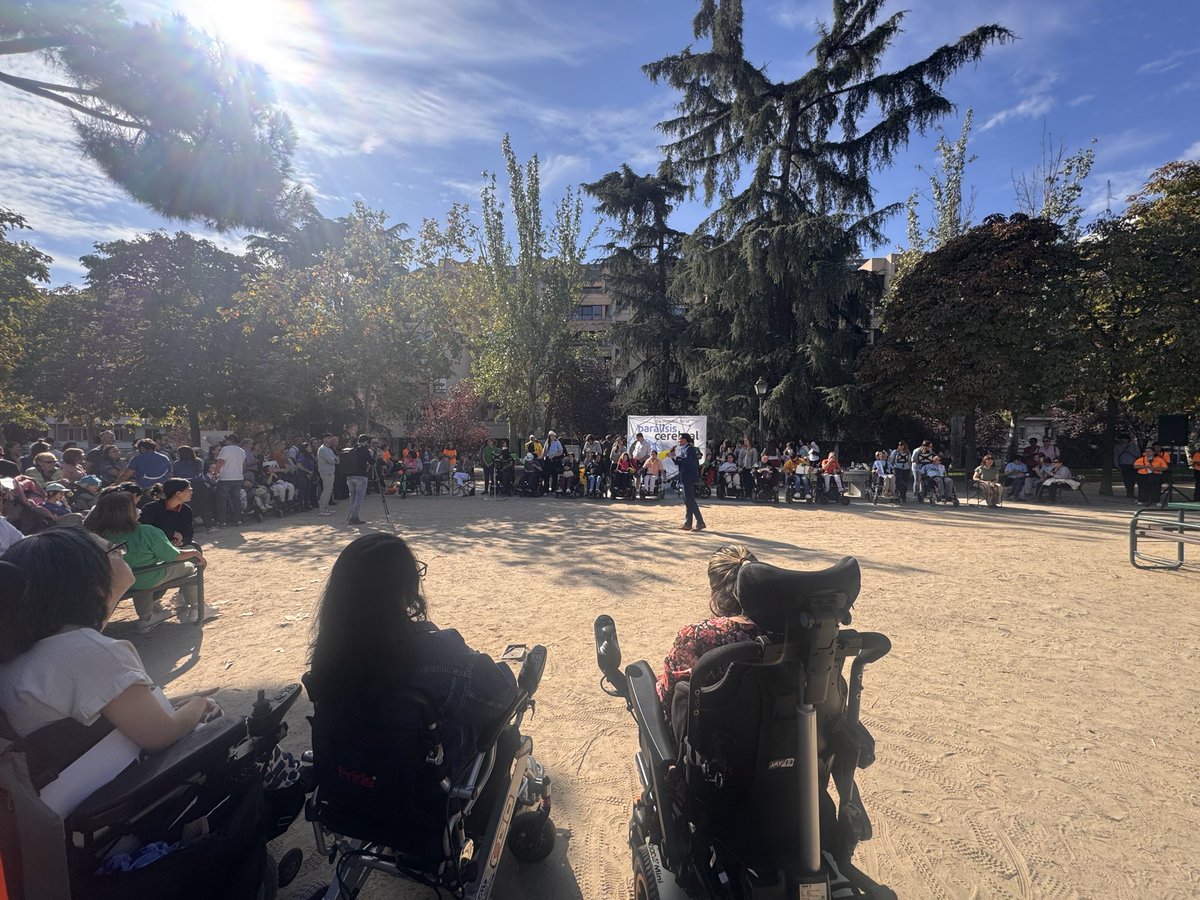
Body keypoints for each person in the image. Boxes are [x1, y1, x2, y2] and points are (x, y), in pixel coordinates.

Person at [0, 528, 219, 817]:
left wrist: (176, 703)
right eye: (114, 550)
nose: (121, 554)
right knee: (219, 722)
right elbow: (160, 735)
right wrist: (199, 705)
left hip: (58, 805)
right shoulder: (86, 650)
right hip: (112, 808)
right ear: (87, 582)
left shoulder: (31, 648)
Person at [307, 533, 518, 832]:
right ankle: (482, 825)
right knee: (505, 734)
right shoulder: (439, 654)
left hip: (353, 783)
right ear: (404, 589)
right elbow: (502, 695)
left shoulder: (326, 657)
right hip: (423, 793)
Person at [655, 544, 764, 732]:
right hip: (779, 741)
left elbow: (667, 700)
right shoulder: (788, 631)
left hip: (712, 748)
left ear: (714, 586)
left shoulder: (696, 637)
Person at [85, 490, 206, 632]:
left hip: (115, 581)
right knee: (189, 566)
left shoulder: (97, 535)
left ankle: (147, 615)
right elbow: (172, 556)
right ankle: (196, 608)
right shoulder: (145, 531)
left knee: (141, 567)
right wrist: (194, 552)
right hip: (144, 578)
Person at [139, 478, 196, 546]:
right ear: (178, 493)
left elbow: (189, 533)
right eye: (189, 490)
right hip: (153, 545)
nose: (191, 493)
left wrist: (182, 542)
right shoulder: (151, 508)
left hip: (174, 546)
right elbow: (144, 529)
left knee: (195, 548)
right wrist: (171, 533)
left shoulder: (186, 510)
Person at [671, 433, 706, 531]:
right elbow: (679, 462)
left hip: (689, 477)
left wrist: (675, 457)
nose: (678, 441)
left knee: (690, 500)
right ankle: (688, 523)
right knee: (687, 501)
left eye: (680, 439)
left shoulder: (690, 449)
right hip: (684, 477)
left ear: (685, 440)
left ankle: (700, 522)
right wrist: (673, 456)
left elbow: (686, 461)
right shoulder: (684, 449)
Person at [212, 433, 246, 527]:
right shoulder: (241, 451)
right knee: (236, 499)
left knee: (221, 500)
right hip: (238, 477)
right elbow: (243, 464)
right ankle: (238, 519)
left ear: (230, 441)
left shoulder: (225, 449)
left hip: (226, 477)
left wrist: (215, 473)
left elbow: (220, 461)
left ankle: (222, 521)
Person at [344, 434, 374, 525]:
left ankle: (352, 516)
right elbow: (371, 462)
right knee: (359, 499)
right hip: (361, 476)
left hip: (350, 476)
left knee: (352, 497)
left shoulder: (352, 449)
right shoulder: (364, 450)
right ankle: (354, 517)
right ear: (366, 442)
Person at [316, 433, 339, 517]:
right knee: (326, 491)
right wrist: (334, 460)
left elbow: (336, 459)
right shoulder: (322, 449)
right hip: (326, 472)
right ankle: (322, 509)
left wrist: (335, 460)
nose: (331, 439)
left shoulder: (329, 449)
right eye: (329, 438)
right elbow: (331, 460)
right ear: (324, 439)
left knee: (329, 491)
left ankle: (326, 508)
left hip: (330, 471)